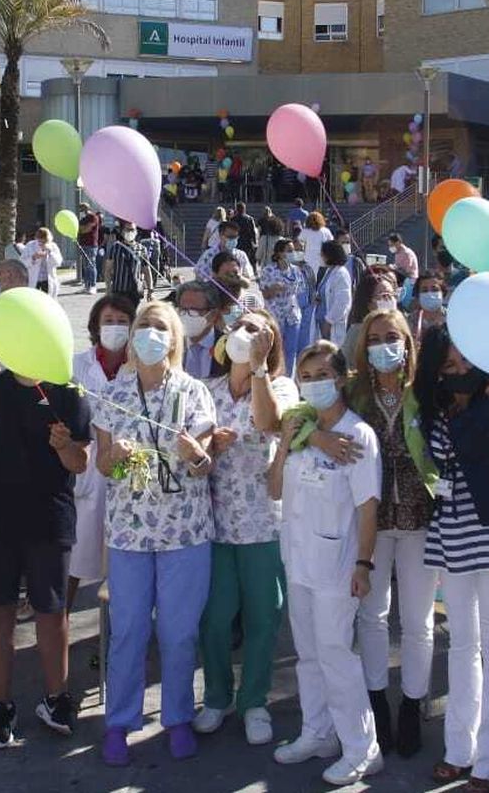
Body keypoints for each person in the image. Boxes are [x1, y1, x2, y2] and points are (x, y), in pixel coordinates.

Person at [92, 300, 216, 766]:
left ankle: (178, 717)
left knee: (179, 633)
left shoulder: (194, 391)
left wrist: (193, 454)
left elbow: (205, 465)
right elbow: (103, 466)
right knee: (127, 631)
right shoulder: (112, 394)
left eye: (160, 327)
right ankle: (119, 722)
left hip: (186, 532)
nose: (150, 334)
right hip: (129, 534)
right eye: (143, 325)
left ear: (174, 338)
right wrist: (115, 457)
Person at [415, 324, 489, 791]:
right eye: (449, 366)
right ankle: (459, 748)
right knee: (462, 645)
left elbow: (477, 443)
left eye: (466, 362)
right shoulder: (432, 410)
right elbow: (440, 453)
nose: (460, 371)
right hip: (453, 535)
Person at [269, 341, 383, 785]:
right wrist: (286, 443)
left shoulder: (358, 436)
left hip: (338, 563)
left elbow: (368, 508)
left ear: (341, 379)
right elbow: (274, 489)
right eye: (306, 376)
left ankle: (362, 747)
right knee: (308, 654)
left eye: (322, 375)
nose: (314, 383)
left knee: (336, 654)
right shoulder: (301, 428)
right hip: (298, 558)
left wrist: (364, 565)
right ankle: (318, 732)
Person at [0, 349, 92, 744]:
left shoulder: (69, 392)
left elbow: (80, 462)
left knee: (52, 611)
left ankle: (57, 698)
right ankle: (1, 706)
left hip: (50, 519)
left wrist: (64, 447)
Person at [194, 312, 294, 745]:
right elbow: (191, 448)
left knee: (262, 618)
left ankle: (254, 701)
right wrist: (209, 446)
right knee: (215, 619)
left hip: (263, 525)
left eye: (256, 329)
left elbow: (270, 423)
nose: (244, 333)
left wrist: (257, 368)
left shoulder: (281, 386)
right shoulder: (207, 390)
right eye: (240, 325)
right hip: (214, 525)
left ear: (271, 341)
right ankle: (216, 697)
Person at [347, 309, 438, 757]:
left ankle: (413, 704)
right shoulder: (353, 393)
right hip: (372, 521)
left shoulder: (426, 391)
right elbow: (306, 417)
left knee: (419, 621)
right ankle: (377, 701)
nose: (384, 346)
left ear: (407, 342)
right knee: (372, 614)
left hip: (420, 519)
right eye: (375, 339)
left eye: (392, 337)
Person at [68, 295, 136, 603]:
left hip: (126, 462)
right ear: (96, 325)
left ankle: (116, 623)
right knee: (76, 552)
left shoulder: (139, 368)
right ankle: (60, 614)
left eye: (123, 321)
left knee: (122, 556)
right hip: (86, 465)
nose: (115, 327)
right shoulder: (76, 365)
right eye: (109, 321)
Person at [261, 240, 309, 374]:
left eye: (293, 250)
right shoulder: (268, 270)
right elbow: (265, 294)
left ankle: (288, 376)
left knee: (291, 350)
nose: (292, 253)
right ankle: (274, 375)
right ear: (279, 253)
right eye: (289, 251)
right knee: (275, 349)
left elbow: (301, 289)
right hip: (275, 315)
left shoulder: (296, 270)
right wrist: (274, 289)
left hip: (292, 315)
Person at [343, 270, 399, 356]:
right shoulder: (357, 333)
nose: (390, 300)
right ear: (369, 303)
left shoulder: (400, 327)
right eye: (384, 296)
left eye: (393, 295)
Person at [175, 281, 222, 380]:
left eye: (194, 310)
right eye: (183, 309)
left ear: (213, 314)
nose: (187, 315)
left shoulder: (227, 347)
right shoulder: (170, 345)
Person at [103, 224, 151, 311]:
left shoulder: (141, 249)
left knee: (132, 314)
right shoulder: (115, 247)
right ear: (122, 232)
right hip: (119, 290)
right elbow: (108, 270)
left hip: (135, 291)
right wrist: (108, 289)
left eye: (132, 230)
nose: (130, 232)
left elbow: (146, 270)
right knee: (120, 314)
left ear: (136, 232)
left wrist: (150, 289)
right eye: (127, 230)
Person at [317, 241, 353, 348]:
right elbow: (327, 292)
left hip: (332, 325)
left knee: (332, 352)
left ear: (330, 255)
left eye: (322, 254)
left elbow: (343, 302)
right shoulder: (329, 271)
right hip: (321, 323)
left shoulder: (341, 273)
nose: (321, 256)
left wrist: (329, 321)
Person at [22, 227, 64, 296]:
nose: (42, 243)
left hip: (47, 280)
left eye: (44, 241)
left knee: (48, 300)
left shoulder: (53, 246)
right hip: (34, 280)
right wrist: (33, 257)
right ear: (36, 238)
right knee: (34, 299)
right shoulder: (30, 246)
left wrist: (50, 253)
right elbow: (23, 262)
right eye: (40, 241)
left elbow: (58, 262)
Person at [409, 272, 448, 342]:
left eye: (434, 290)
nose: (429, 294)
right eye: (424, 290)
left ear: (443, 292)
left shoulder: (451, 318)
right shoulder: (410, 321)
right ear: (418, 296)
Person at [78, 208, 103, 294]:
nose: (81, 212)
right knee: (86, 266)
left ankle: (93, 286)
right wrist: (81, 228)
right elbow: (80, 228)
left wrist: (81, 228)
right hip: (83, 244)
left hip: (91, 245)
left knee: (91, 265)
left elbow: (87, 229)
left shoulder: (93, 217)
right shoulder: (83, 219)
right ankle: (87, 286)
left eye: (82, 209)